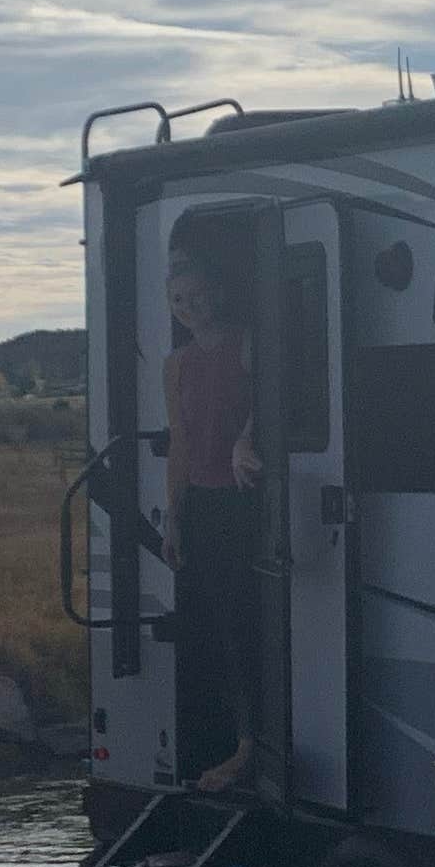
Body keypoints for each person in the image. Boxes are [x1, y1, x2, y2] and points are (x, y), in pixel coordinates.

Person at [162, 248, 267, 796]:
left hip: (242, 500)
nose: (188, 306)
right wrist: (173, 518)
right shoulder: (176, 363)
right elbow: (180, 442)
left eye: (197, 293)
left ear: (219, 293)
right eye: (177, 299)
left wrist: (248, 437)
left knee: (242, 625)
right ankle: (228, 742)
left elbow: (275, 402)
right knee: (208, 629)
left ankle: (252, 747)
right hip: (201, 503)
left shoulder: (248, 342)